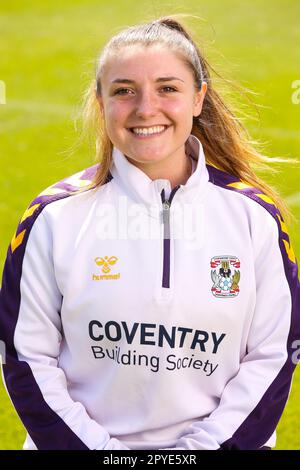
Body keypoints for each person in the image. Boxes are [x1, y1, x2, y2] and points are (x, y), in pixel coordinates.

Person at [0, 16, 299, 451]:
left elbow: (274, 355)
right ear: (100, 103)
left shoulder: (254, 217)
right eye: (123, 90)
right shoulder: (53, 217)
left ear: (198, 98)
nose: (145, 109)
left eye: (168, 88)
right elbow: (25, 357)